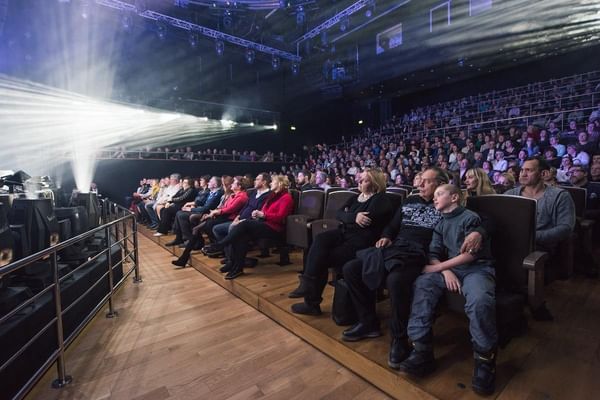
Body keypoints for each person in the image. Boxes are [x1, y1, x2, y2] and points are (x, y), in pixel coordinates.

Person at [341, 168, 486, 369]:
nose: (420, 185)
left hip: (420, 254)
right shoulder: (409, 201)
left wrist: (478, 231)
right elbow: (393, 225)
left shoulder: (445, 204)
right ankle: (368, 322)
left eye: (426, 182)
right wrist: (386, 236)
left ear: (440, 184)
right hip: (396, 247)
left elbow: (481, 220)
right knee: (351, 269)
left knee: (396, 280)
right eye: (420, 181)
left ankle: (399, 339)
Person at [399, 184, 497, 396]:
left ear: (454, 197)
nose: (434, 199)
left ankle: (485, 360)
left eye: (439, 194)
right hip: (451, 269)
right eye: (433, 196)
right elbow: (434, 252)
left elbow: (471, 255)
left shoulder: (470, 217)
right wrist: (445, 272)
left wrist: (439, 267)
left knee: (480, 300)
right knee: (422, 284)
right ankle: (422, 350)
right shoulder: (440, 223)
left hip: (475, 270)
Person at [289, 169, 394, 316]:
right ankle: (307, 284)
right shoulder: (356, 197)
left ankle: (311, 302)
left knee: (321, 259)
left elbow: (365, 222)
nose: (359, 182)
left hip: (360, 241)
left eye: (365, 180)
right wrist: (353, 217)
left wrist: (348, 217)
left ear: (375, 183)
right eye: (360, 178)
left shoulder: (380, 199)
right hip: (345, 233)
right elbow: (338, 213)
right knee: (319, 239)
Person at [214, 175, 295, 280]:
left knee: (244, 224)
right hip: (265, 224)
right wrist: (257, 213)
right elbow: (264, 211)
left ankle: (221, 245)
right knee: (242, 236)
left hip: (274, 228)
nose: (270, 183)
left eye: (273, 182)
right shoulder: (272, 196)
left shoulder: (286, 197)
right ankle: (237, 268)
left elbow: (280, 218)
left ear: (279, 184)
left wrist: (264, 215)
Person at [505, 157, 575, 251]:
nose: (523, 174)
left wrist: (531, 237)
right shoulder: (509, 194)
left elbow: (565, 227)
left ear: (543, 174)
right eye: (522, 170)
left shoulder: (560, 196)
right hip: (510, 243)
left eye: (528, 170)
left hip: (541, 248)